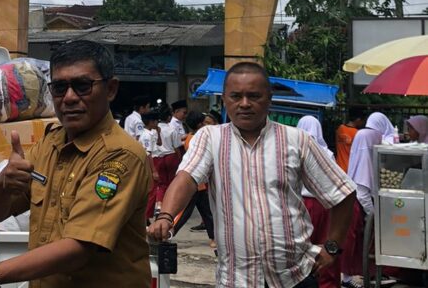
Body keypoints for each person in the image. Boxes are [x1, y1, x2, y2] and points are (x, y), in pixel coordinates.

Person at [0, 40, 153, 287]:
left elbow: (79, 247)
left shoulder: (119, 156)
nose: (69, 98)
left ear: (110, 89)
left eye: (82, 86)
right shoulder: (49, 144)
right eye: (59, 87)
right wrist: (5, 182)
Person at [149, 62, 356, 288]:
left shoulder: (297, 140)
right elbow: (186, 178)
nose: (244, 104)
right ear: (224, 99)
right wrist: (165, 216)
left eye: (254, 96)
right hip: (237, 280)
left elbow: (343, 192)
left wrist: (332, 247)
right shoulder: (210, 137)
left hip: (294, 277)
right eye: (236, 96)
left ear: (269, 98)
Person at [341, 112, 396, 286]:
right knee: (356, 242)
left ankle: (359, 273)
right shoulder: (366, 151)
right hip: (359, 204)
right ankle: (348, 276)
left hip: (355, 202)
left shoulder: (362, 143)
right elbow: (363, 190)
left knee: (358, 242)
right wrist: (373, 214)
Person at [296, 115, 341, 288]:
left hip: (301, 204)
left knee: (301, 247)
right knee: (326, 245)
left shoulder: (294, 149)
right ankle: (327, 283)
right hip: (325, 205)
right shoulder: (327, 153)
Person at [171, 111, 215, 250]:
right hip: (195, 182)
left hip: (199, 183)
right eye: (205, 123)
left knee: (206, 211)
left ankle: (214, 237)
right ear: (200, 124)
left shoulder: (189, 137)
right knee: (185, 211)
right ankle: (168, 231)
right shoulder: (196, 140)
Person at [336, 107, 368, 172]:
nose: (363, 123)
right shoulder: (357, 133)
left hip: (338, 167)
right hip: (351, 169)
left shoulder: (340, 128)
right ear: (358, 119)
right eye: (363, 120)